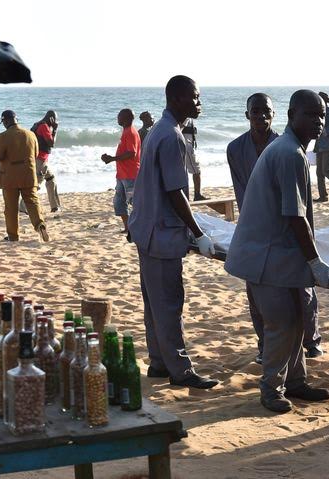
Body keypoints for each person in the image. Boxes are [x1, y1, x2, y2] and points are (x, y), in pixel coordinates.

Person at [224, 90, 329, 413]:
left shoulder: (289, 149)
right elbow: (295, 216)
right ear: (291, 115)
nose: (318, 122)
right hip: (265, 256)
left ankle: (297, 382)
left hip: (276, 254)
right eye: (310, 115)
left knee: (298, 319)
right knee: (282, 322)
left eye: (322, 116)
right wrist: (315, 262)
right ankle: (271, 388)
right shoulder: (290, 154)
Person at [128, 75, 218, 390]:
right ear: (177, 99)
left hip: (146, 230)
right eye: (195, 97)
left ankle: (158, 361)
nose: (199, 102)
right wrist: (198, 233)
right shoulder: (172, 136)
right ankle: (180, 370)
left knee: (154, 302)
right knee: (168, 303)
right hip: (161, 234)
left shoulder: (159, 131)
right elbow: (176, 192)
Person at [0, 110, 49, 242]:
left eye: (3, 122)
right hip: (29, 175)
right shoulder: (30, 134)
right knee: (33, 202)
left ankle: (13, 236)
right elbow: (35, 154)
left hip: (9, 177)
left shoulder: (3, 136)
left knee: (11, 207)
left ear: (5, 121)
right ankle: (40, 225)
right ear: (16, 119)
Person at [101, 109, 141, 233]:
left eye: (119, 116)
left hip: (130, 174)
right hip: (122, 174)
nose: (117, 118)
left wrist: (113, 158)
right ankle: (128, 227)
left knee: (134, 203)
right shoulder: (125, 131)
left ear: (126, 118)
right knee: (119, 201)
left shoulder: (130, 132)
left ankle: (138, 228)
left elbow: (131, 153)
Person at [19, 110, 62, 215]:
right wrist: (55, 129)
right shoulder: (44, 127)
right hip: (40, 160)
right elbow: (51, 143)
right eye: (55, 120)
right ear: (51, 119)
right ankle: (22, 207)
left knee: (51, 179)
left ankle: (55, 207)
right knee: (35, 184)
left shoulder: (36, 125)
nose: (56, 122)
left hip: (37, 159)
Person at [182, 118, 206, 201]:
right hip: (187, 145)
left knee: (187, 171)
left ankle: (190, 195)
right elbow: (180, 127)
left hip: (188, 144)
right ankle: (197, 195)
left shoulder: (188, 117)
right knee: (196, 170)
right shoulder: (186, 117)